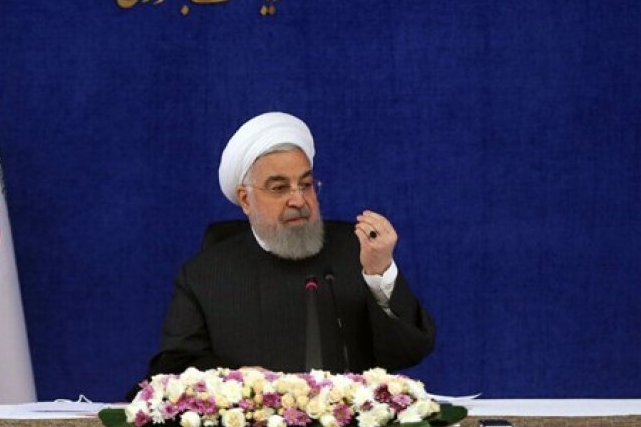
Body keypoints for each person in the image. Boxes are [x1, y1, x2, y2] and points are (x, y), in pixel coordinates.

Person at [139, 112, 435, 385]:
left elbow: (409, 352)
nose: (298, 200)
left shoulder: (356, 250)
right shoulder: (204, 274)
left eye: (305, 184)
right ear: (245, 199)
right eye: (279, 188)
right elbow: (173, 367)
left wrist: (379, 273)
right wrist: (235, 380)